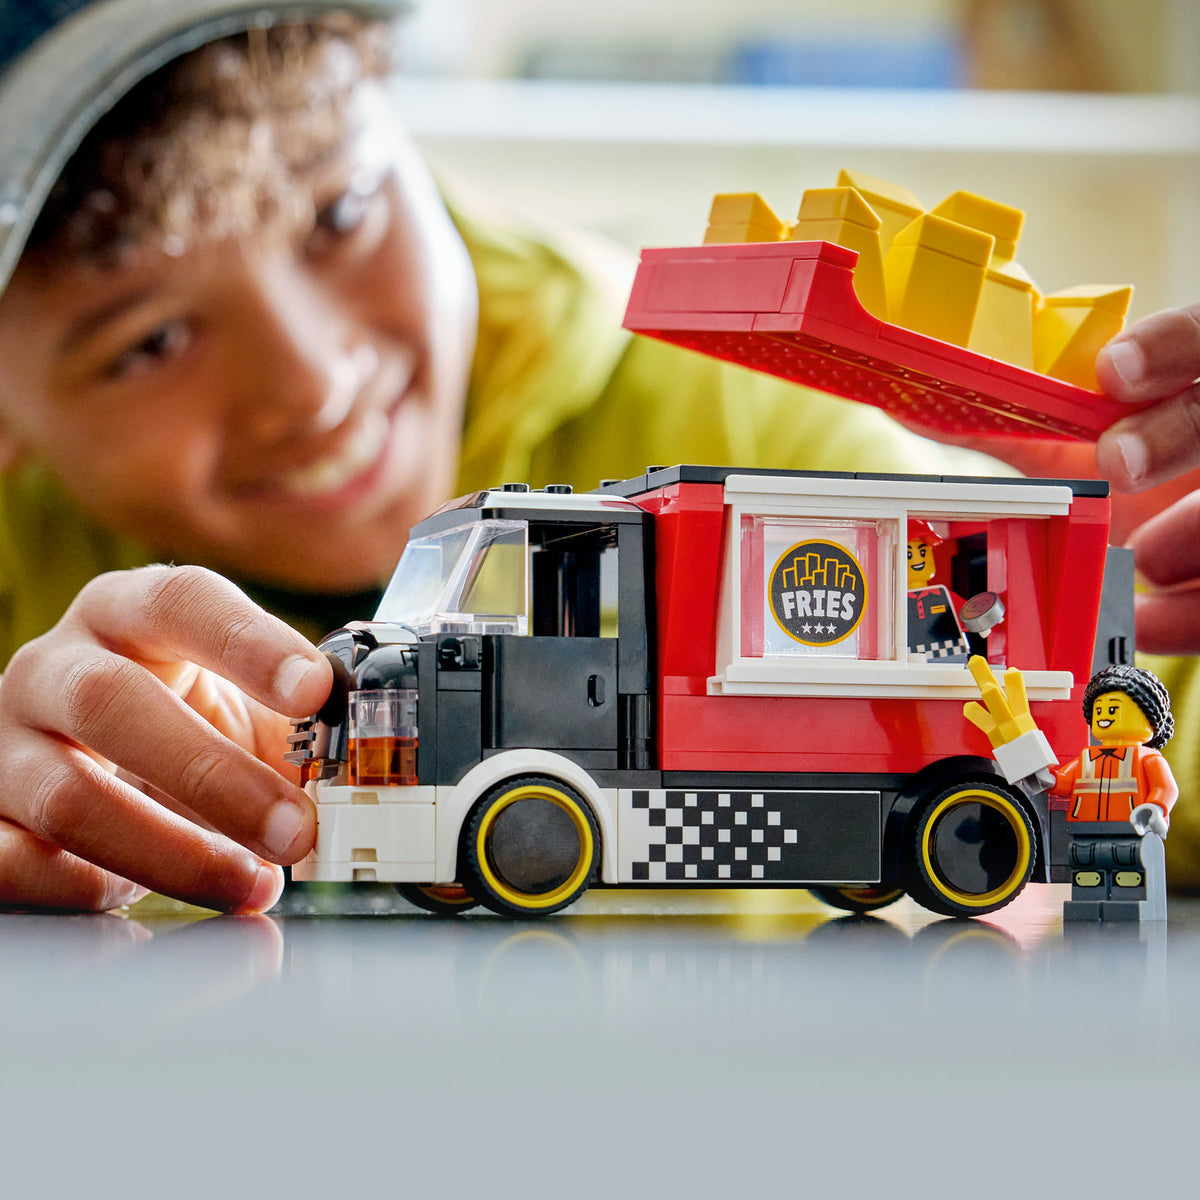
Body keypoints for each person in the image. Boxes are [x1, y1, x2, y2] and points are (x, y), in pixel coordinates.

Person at [0, 0, 1198, 913]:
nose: (313, 385)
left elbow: (1142, 723)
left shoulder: (749, 420)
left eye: (339, 212)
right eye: (149, 338)